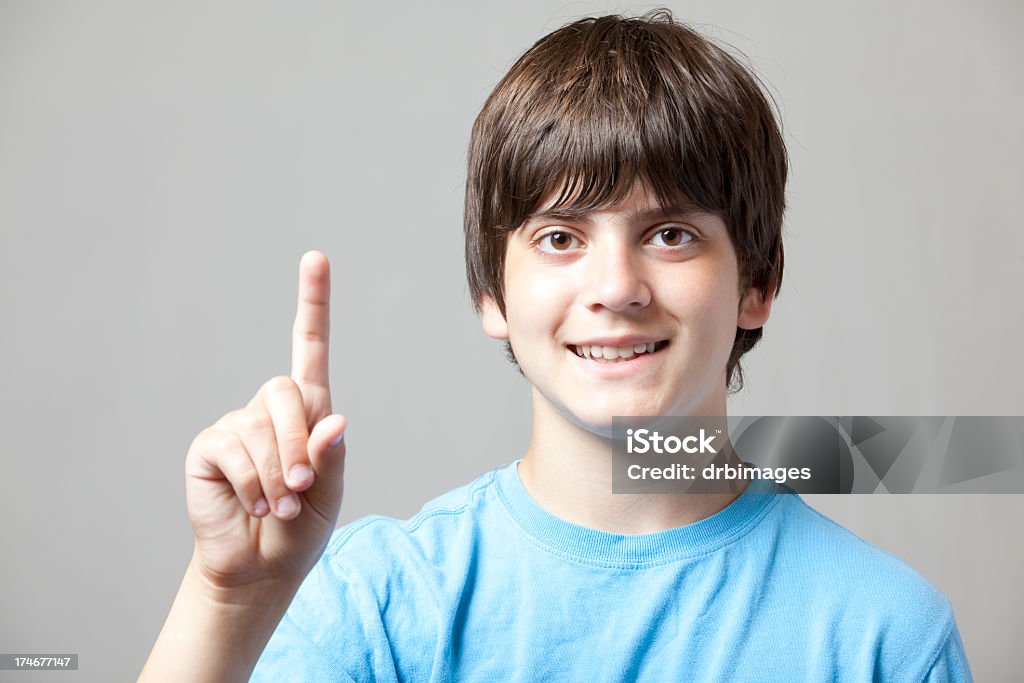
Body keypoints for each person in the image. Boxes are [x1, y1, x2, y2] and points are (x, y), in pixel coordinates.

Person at [140, 10, 973, 682]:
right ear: (491, 293)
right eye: (561, 238)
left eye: (672, 233)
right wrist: (228, 601)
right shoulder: (381, 606)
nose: (616, 286)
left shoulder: (886, 636)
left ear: (756, 281)